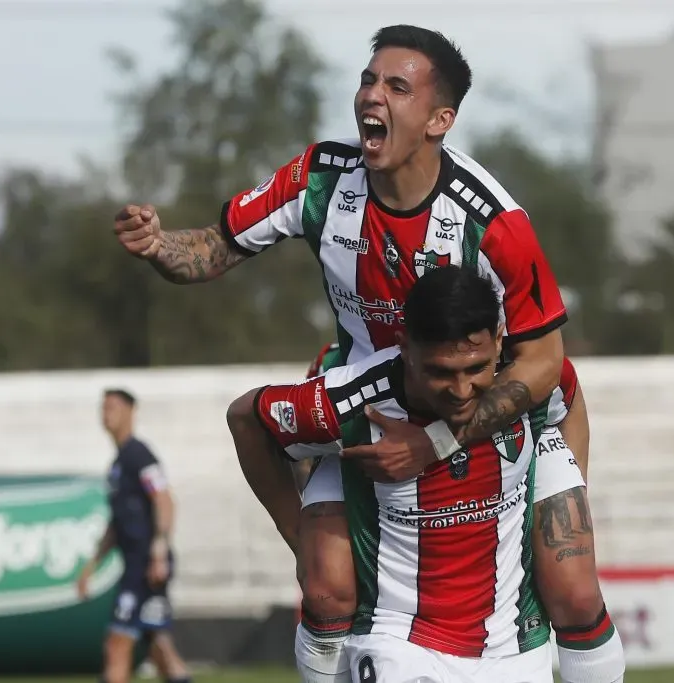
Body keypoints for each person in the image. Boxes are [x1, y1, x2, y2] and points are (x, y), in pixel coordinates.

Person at [113, 24, 623, 683]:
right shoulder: (320, 181)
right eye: (368, 79)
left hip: (498, 404)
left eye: (396, 86)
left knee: (575, 588)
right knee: (325, 585)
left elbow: (544, 362)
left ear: (441, 118)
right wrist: (158, 248)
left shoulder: (494, 223)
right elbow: (212, 249)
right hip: (367, 397)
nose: (371, 96)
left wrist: (441, 438)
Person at [238, 266, 573, 682]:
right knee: (326, 587)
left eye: (476, 369)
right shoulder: (351, 401)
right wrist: (295, 531)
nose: (461, 390)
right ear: (405, 348)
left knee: (580, 590)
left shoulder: (532, 381)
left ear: (500, 339)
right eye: (440, 371)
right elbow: (246, 419)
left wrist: (575, 488)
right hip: (397, 636)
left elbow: (569, 405)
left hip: (511, 646)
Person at [76, 389, 192, 683]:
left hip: (146, 566)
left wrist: (158, 550)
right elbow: (116, 525)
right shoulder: (117, 465)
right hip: (136, 564)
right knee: (158, 646)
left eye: (113, 407)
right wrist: (92, 565)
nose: (106, 414)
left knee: (117, 643)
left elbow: (164, 500)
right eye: (103, 408)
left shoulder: (139, 454)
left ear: (131, 411)